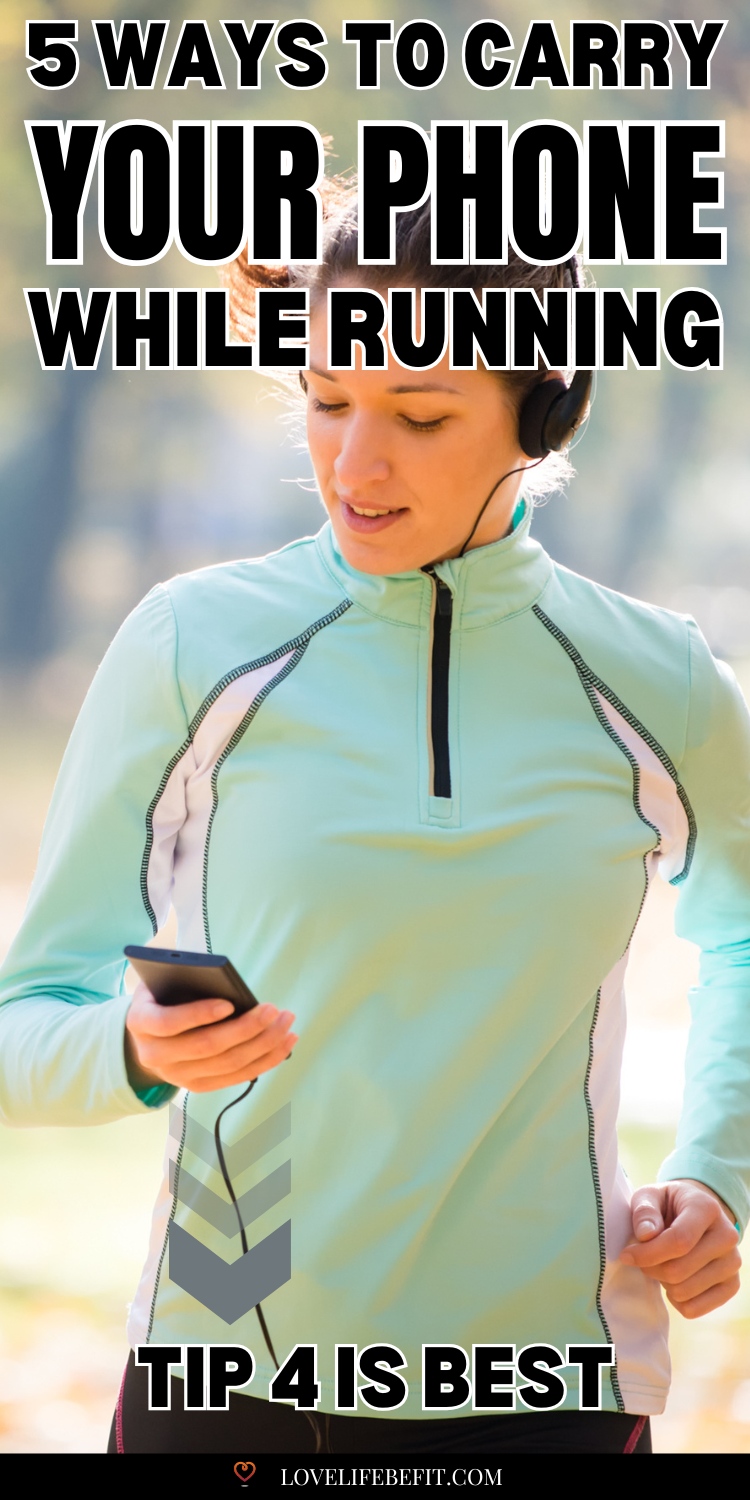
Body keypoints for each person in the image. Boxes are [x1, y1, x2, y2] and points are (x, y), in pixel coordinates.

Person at [0, 188, 747, 1457]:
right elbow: (24, 1021)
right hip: (227, 1372)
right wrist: (131, 1050)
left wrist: (718, 1169)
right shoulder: (194, 647)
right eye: (328, 400)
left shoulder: (658, 679)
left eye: (420, 413)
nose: (356, 463)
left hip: (545, 1385)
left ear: (540, 412)